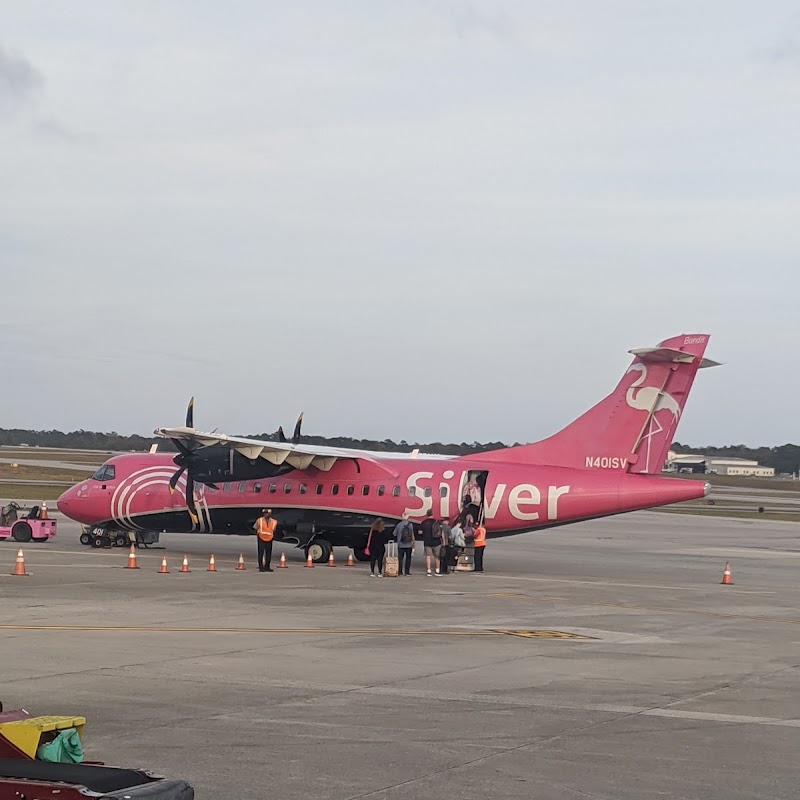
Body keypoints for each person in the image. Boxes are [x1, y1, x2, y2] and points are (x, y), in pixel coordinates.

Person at [420, 510, 442, 576]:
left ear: (426, 514)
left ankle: (428, 570)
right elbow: (441, 531)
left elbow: (420, 532)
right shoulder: (436, 522)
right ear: (432, 514)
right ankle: (437, 570)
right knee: (437, 557)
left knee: (428, 556)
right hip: (436, 541)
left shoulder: (423, 522)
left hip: (427, 542)